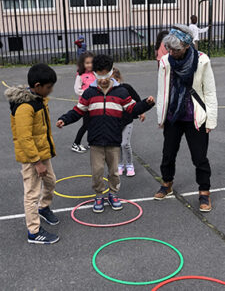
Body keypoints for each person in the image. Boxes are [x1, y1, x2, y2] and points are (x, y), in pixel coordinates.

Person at [56, 54, 155, 213]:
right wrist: (64, 119)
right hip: (95, 141)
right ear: (94, 73)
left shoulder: (121, 92)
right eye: (99, 74)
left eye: (106, 74)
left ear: (111, 72)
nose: (102, 79)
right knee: (97, 172)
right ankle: (99, 195)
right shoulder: (89, 93)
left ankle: (113, 194)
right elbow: (78, 110)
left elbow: (132, 109)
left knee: (114, 172)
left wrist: (146, 104)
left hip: (113, 140)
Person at [155, 24, 218, 212]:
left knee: (199, 157)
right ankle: (167, 183)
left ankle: (204, 192)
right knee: (168, 153)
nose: (172, 52)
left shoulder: (202, 60)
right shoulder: (166, 61)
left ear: (187, 46)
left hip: (196, 116)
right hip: (173, 116)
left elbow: (210, 91)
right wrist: (161, 116)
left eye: (176, 49)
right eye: (170, 48)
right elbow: (162, 91)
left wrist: (211, 120)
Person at [5, 64, 60, 244]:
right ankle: (34, 232)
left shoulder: (38, 99)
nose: (51, 90)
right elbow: (24, 137)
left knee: (51, 181)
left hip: (42, 153)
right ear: (37, 86)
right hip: (32, 158)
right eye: (49, 87)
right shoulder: (25, 107)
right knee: (32, 193)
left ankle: (44, 208)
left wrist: (44, 156)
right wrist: (37, 162)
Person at [112, 68, 145, 177]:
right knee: (117, 145)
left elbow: (137, 99)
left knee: (124, 144)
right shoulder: (107, 91)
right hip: (115, 121)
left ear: (118, 79)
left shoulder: (126, 88)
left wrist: (141, 112)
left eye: (113, 80)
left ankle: (130, 165)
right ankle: (120, 164)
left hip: (127, 120)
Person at [72, 51, 95, 153]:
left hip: (94, 103)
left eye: (91, 62)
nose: (90, 65)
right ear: (83, 64)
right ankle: (76, 143)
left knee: (93, 123)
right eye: (87, 63)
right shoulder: (80, 75)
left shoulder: (95, 73)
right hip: (85, 104)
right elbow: (77, 89)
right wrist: (87, 93)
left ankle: (91, 141)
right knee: (86, 124)